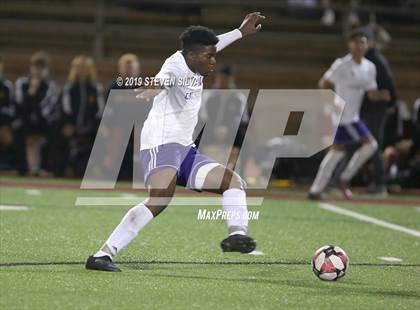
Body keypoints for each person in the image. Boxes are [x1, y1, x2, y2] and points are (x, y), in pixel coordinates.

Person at [86, 12, 265, 272]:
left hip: (184, 149)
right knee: (159, 197)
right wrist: (154, 86)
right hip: (161, 144)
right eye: (209, 56)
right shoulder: (175, 67)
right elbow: (164, 80)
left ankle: (236, 234)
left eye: (214, 55)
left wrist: (240, 31)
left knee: (232, 182)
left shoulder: (196, 58)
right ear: (192, 56)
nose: (214, 60)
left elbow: (216, 44)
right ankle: (102, 255)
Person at [308, 29, 390, 201]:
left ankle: (318, 189)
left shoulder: (369, 67)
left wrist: (381, 95)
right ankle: (342, 179)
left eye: (362, 42)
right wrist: (332, 103)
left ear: (367, 45)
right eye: (356, 42)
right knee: (369, 145)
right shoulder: (342, 64)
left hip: (352, 117)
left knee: (339, 152)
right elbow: (323, 83)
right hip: (341, 116)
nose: (359, 45)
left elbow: (370, 93)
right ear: (349, 45)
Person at [52, 55, 104, 176]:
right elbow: (65, 108)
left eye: (85, 68)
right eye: (79, 68)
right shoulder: (69, 88)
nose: (82, 71)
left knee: (103, 134)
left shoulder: (96, 89)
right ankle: (60, 168)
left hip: (91, 128)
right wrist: (68, 124)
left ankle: (99, 170)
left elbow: (100, 111)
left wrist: (92, 126)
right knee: (56, 130)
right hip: (72, 126)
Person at [360, 25, 397, 195]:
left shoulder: (374, 59)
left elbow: (388, 87)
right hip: (370, 109)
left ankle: (380, 183)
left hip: (375, 110)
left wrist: (387, 102)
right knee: (365, 145)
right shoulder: (371, 58)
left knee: (373, 146)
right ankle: (339, 179)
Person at [14, 51, 59, 176]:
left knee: (55, 128)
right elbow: (20, 106)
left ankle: (46, 168)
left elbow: (46, 108)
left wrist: (32, 102)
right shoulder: (21, 83)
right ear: (31, 67)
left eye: (41, 68)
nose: (38, 71)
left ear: (46, 69)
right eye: (35, 67)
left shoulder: (51, 86)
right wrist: (32, 91)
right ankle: (23, 169)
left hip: (42, 122)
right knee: (17, 128)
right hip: (25, 121)